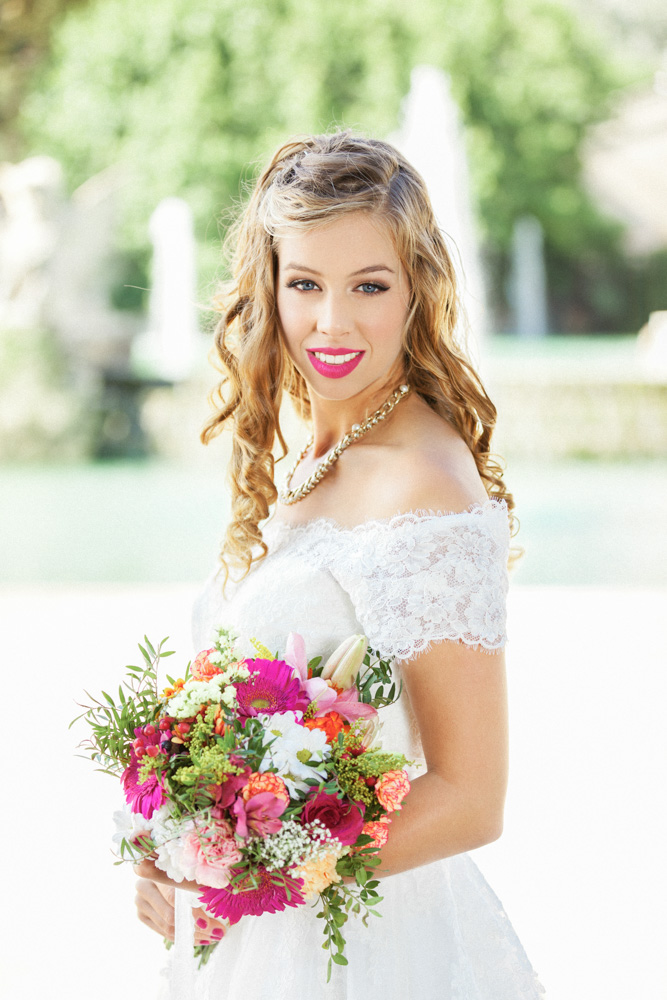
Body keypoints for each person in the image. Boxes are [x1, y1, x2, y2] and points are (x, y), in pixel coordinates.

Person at [134, 131, 546, 999]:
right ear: (268, 289)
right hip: (264, 940)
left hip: (363, 952)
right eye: (305, 284)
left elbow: (471, 797)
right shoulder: (320, 458)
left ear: (415, 291)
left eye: (369, 285)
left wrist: (249, 876)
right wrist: (176, 846)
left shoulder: (419, 483)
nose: (333, 321)